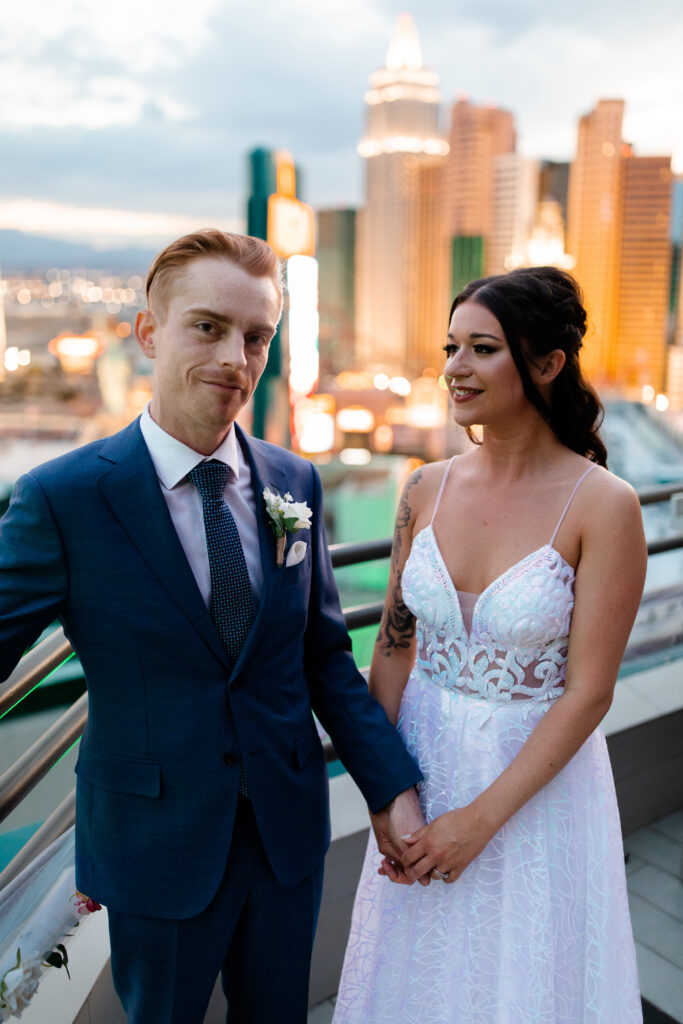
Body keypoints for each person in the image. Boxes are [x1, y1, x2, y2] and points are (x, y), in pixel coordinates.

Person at [0, 230, 425, 1024]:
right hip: (152, 848)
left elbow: (325, 661)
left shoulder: (292, 479)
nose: (236, 356)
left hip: (286, 835)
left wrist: (391, 788)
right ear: (148, 333)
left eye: (256, 336)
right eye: (208, 327)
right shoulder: (62, 499)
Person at [333, 266, 646, 1024]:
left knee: (522, 981)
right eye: (450, 348)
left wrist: (478, 820)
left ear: (545, 365)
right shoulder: (423, 487)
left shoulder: (603, 505)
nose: (454, 369)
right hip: (421, 762)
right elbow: (395, 647)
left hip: (532, 788)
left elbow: (588, 691)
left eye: (481, 349)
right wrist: (387, 788)